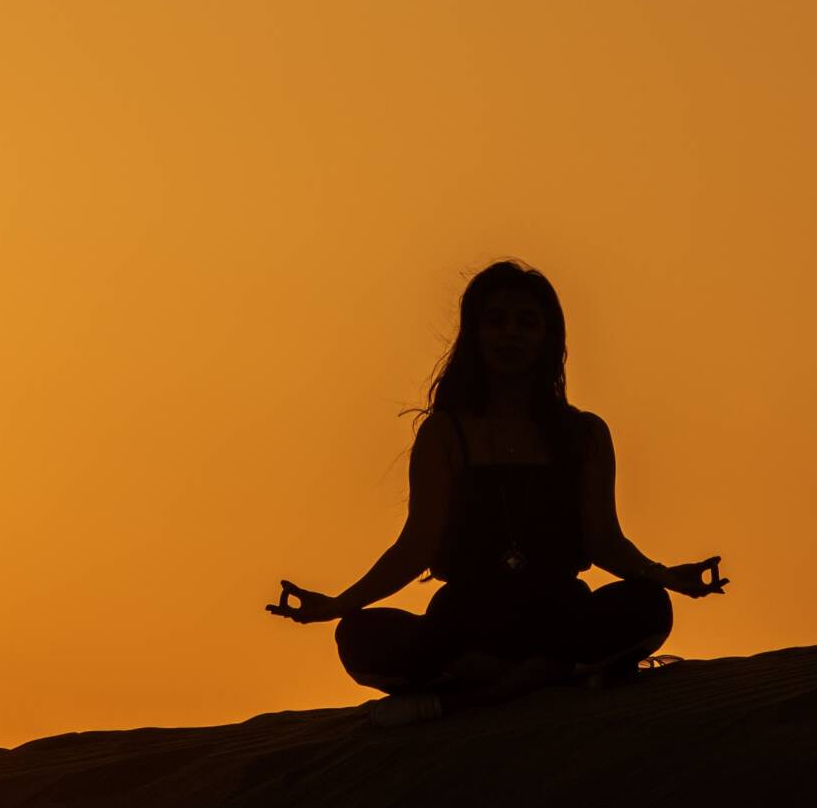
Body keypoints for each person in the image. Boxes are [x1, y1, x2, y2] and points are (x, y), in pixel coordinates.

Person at [267, 259, 728, 723]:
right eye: (496, 321)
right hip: (467, 622)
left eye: (527, 322)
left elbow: (604, 541)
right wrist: (338, 604)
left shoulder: (584, 434)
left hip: (558, 613)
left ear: (549, 337)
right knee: (358, 634)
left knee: (648, 604)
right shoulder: (444, 434)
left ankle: (471, 697)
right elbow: (416, 546)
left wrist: (666, 576)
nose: (511, 334)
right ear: (474, 333)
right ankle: (546, 677)